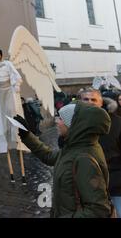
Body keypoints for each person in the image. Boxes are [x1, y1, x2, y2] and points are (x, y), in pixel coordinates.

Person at [15, 102, 113, 218]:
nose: (57, 121)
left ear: (74, 126)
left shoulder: (84, 158)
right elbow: (49, 156)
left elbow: (98, 210)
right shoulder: (74, 147)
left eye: (61, 118)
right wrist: (27, 135)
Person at [79, 87, 121, 217]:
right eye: (86, 99)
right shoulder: (74, 122)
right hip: (86, 184)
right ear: (80, 101)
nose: (90, 102)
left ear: (101, 103)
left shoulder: (117, 123)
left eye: (94, 99)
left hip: (115, 183)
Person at [0, 48, 26, 182]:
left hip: (8, 90)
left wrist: (16, 86)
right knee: (1, 116)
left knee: (12, 113)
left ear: (1, 55)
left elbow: (15, 76)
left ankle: (16, 136)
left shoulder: (8, 64)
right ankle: (4, 140)